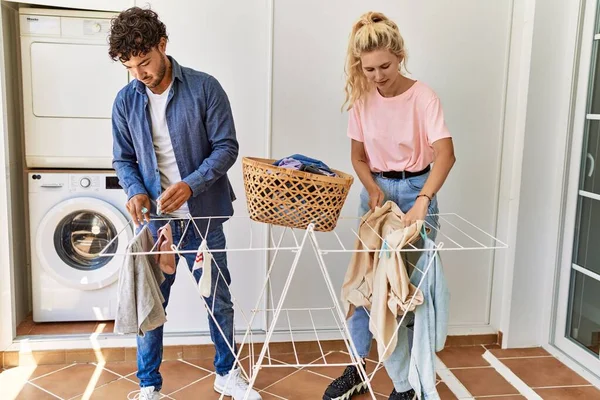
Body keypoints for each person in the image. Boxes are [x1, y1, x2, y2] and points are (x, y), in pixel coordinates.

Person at [109, 7, 261, 400]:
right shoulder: (125, 102)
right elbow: (123, 158)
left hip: (203, 218)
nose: (139, 74)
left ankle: (227, 373)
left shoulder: (205, 88)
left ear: (163, 45)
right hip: (155, 223)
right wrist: (133, 190)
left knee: (218, 298)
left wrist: (191, 186)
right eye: (130, 67)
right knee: (151, 304)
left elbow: (227, 147)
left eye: (144, 62)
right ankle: (148, 386)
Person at [323, 11, 456, 400]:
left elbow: (445, 155)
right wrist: (372, 188)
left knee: (406, 292)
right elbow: (359, 157)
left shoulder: (423, 97)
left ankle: (408, 383)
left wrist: (422, 202)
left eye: (384, 66)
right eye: (368, 69)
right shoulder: (362, 99)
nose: (377, 76)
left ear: (399, 56)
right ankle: (357, 369)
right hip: (377, 193)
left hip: (418, 188)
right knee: (366, 285)